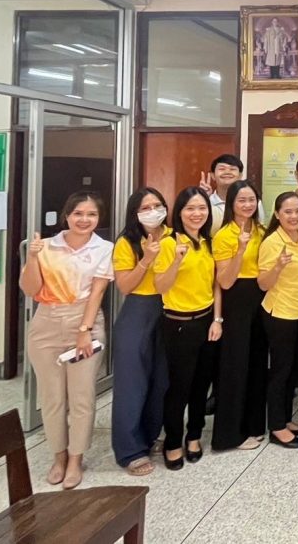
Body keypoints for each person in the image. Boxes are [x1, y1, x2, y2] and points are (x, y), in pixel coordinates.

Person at [20, 191, 114, 489]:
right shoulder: (46, 246)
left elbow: (98, 291)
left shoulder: (104, 248)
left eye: (91, 214)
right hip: (46, 322)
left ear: (99, 218)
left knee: (82, 396)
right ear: (67, 215)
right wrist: (32, 257)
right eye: (78, 214)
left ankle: (76, 458)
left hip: (85, 320)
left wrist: (84, 330)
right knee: (52, 397)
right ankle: (58, 457)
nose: (84, 219)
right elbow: (30, 289)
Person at [153, 187, 222, 470]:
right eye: (190, 208)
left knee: (201, 385)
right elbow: (160, 286)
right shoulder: (169, 243)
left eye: (202, 208)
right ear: (179, 212)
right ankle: (172, 442)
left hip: (207, 322)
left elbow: (215, 284)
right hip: (178, 324)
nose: (197, 214)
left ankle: (194, 435)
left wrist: (217, 320)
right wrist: (177, 260)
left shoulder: (207, 242)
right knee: (179, 387)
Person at [111, 187, 171, 476]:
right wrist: (146, 259)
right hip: (138, 309)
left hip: (169, 309)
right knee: (132, 383)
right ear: (135, 212)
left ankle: (149, 436)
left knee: (161, 381)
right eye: (145, 207)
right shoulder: (127, 242)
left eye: (157, 205)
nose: (153, 211)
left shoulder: (174, 236)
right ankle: (129, 450)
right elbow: (124, 286)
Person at [210, 180, 267, 451]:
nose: (247, 205)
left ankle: (254, 425)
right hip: (236, 301)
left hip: (260, 298)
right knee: (234, 367)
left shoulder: (261, 230)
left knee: (257, 365)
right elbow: (225, 281)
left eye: (251, 199)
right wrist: (240, 250)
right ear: (231, 204)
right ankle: (229, 435)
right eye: (241, 200)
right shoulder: (223, 235)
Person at [257, 192, 298, 448]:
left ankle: (286, 419)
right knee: (281, 371)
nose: (294, 216)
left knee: (293, 370)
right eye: (288, 212)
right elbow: (263, 283)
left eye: (297, 211)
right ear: (277, 214)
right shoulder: (272, 242)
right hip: (280, 314)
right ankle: (277, 427)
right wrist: (278, 266)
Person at [199, 154, 263, 234]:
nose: (227, 172)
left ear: (240, 176)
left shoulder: (253, 203)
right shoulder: (207, 202)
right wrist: (203, 198)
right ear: (213, 175)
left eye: (232, 169)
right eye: (222, 169)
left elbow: (259, 229)